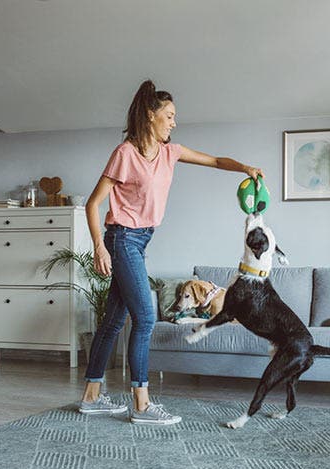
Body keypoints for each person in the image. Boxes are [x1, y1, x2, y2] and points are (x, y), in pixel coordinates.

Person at [78, 80, 264, 424]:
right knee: (145, 318)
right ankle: (142, 405)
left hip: (140, 240)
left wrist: (245, 168)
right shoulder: (125, 154)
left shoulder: (170, 152)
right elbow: (92, 204)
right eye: (170, 115)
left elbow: (215, 160)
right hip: (121, 239)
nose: (174, 122)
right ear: (151, 116)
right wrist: (99, 247)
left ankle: (92, 395)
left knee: (114, 321)